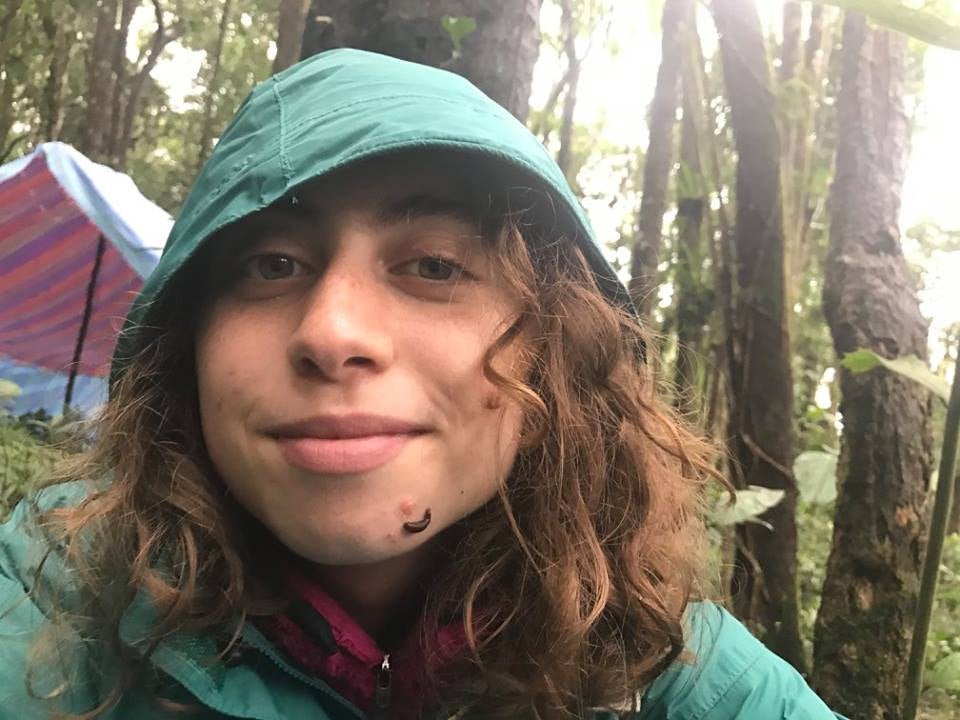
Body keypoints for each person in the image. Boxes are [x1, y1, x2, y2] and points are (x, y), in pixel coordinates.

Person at [0, 49, 843, 720]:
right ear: (184, 340)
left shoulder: (668, 669)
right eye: (272, 264)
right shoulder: (52, 607)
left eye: (436, 265)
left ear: (557, 353)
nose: (332, 334)